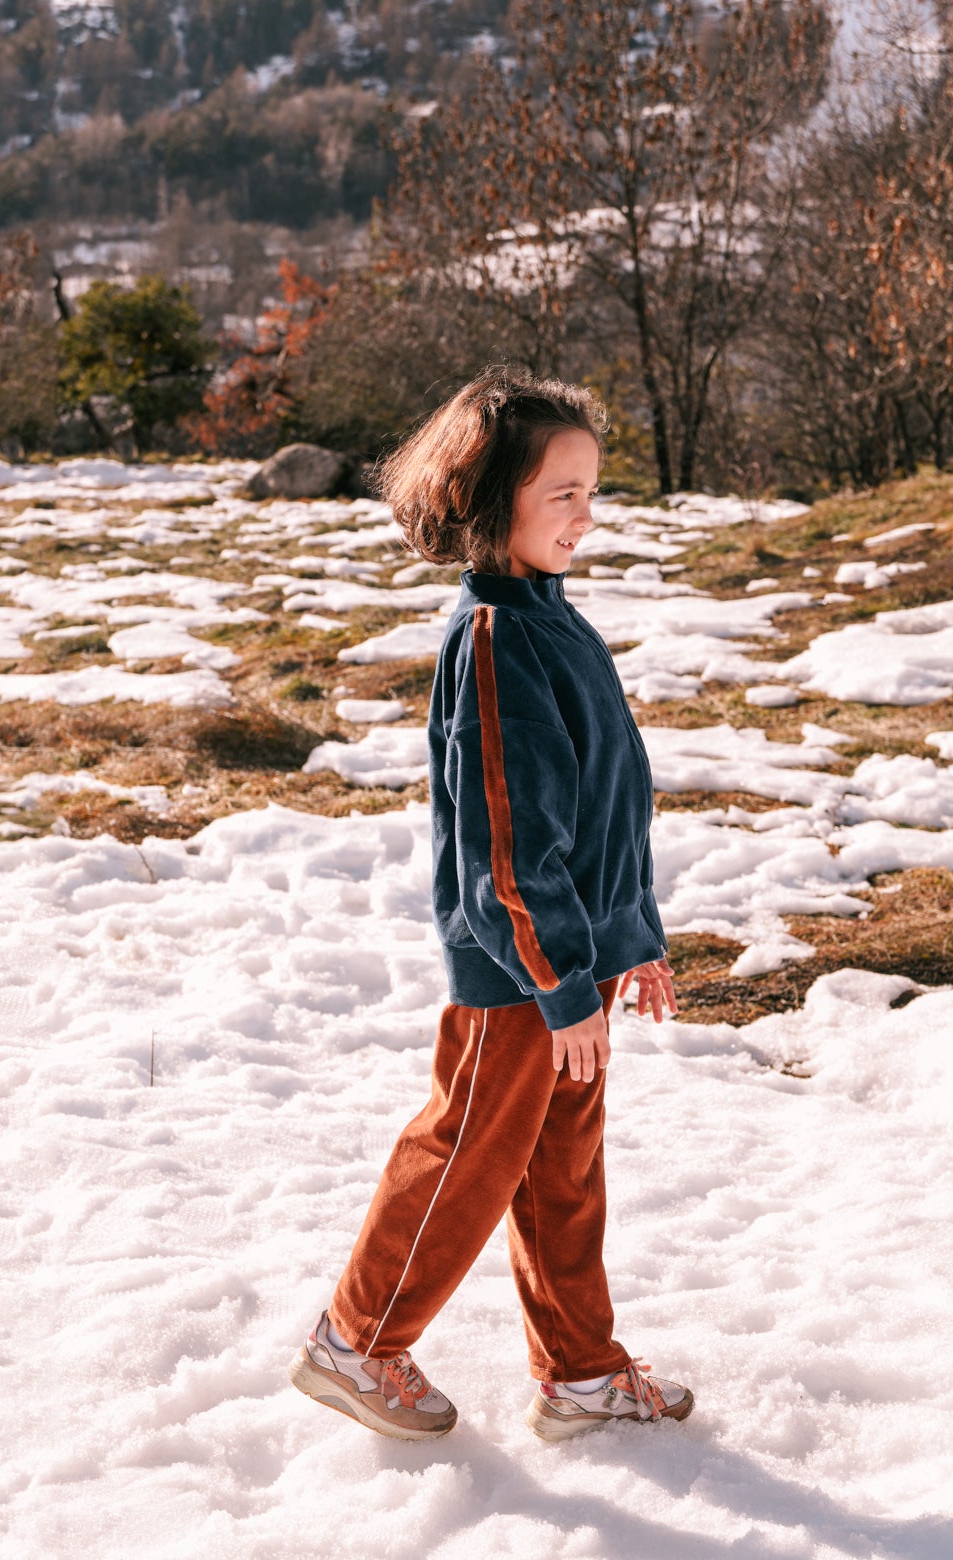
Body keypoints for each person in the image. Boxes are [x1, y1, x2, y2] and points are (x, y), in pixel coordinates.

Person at [290, 367, 694, 1443]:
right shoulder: (496, 640)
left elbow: (607, 810)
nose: (584, 514)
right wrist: (560, 981)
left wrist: (629, 942)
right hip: (522, 976)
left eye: (591, 491)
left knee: (562, 1170)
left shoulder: (555, 622)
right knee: (472, 1149)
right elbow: (511, 849)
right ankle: (358, 1340)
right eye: (560, 493)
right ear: (492, 495)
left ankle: (580, 1374)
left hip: (573, 970)